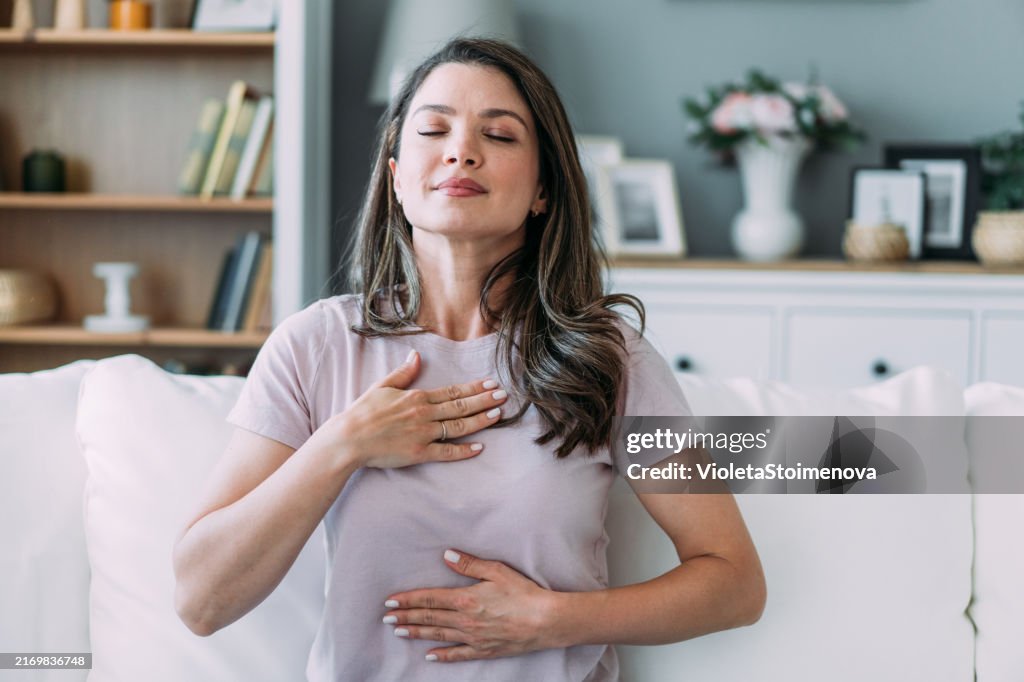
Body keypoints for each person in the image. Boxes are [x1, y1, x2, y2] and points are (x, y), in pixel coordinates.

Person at [172, 37, 765, 681]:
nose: (461, 150)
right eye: (434, 129)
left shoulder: (610, 357)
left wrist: (552, 620)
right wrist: (344, 444)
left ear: (543, 190)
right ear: (396, 177)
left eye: (501, 136)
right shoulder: (315, 346)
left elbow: (733, 582)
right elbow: (202, 601)